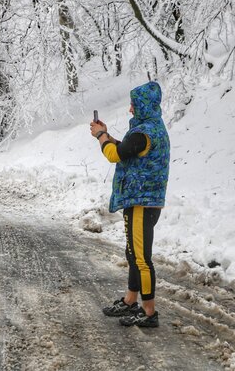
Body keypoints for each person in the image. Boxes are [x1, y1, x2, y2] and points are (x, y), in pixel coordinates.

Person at [90, 81, 170, 328]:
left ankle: (148, 312)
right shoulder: (151, 129)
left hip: (141, 203)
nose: (130, 109)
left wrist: (100, 136)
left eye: (134, 105)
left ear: (143, 106)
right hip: (144, 200)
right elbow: (127, 149)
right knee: (133, 254)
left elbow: (115, 154)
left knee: (141, 258)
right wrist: (108, 134)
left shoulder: (143, 132)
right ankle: (130, 300)